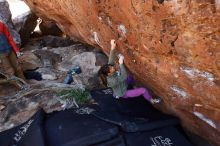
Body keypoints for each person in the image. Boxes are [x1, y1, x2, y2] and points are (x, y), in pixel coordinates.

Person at [98, 39, 161, 104]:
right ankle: (151, 100)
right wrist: (121, 63)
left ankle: (134, 85)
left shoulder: (109, 70)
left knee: (130, 77)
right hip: (123, 93)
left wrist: (112, 46)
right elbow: (124, 76)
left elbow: (111, 58)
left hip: (123, 84)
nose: (113, 67)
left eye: (111, 66)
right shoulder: (111, 81)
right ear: (109, 73)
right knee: (143, 90)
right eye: (111, 68)